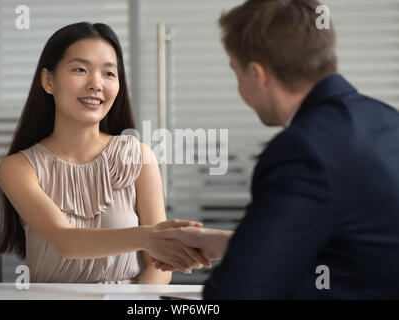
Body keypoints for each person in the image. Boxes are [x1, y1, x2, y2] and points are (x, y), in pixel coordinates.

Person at [152, 0, 399, 299]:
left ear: (258, 74)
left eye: (237, 73)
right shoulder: (387, 120)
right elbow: (347, 248)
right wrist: (230, 243)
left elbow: (232, 295)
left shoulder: (302, 150)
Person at [0, 22, 209, 284]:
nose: (96, 84)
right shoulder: (18, 168)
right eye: (80, 70)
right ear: (48, 81)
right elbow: (66, 241)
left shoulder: (139, 157)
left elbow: (159, 268)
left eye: (109, 73)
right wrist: (148, 236)